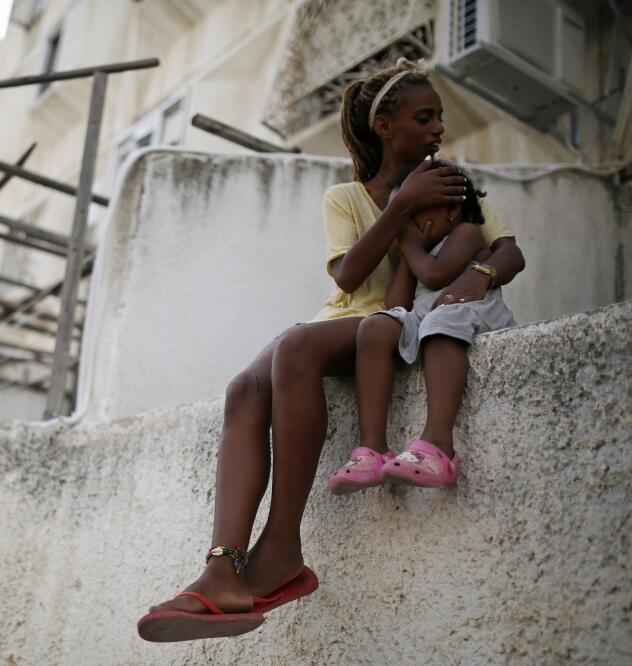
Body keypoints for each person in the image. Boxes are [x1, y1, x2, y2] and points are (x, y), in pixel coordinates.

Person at [136, 59, 526, 643]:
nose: (438, 127)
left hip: (391, 324)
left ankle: (281, 547)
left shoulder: (450, 182)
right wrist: (398, 204)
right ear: (386, 126)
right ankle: (222, 566)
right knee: (244, 388)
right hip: (344, 318)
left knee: (294, 345)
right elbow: (347, 278)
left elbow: (508, 251)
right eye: (424, 117)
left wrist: (479, 275)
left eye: (440, 117)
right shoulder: (346, 196)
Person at [328, 161, 515, 495]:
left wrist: (411, 247)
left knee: (441, 322)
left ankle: (438, 445)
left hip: (469, 311)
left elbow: (435, 275)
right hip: (430, 317)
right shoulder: (419, 251)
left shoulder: (467, 233)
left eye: (411, 214)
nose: (406, 225)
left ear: (452, 210)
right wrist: (408, 250)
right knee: (374, 327)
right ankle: (372, 449)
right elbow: (397, 303)